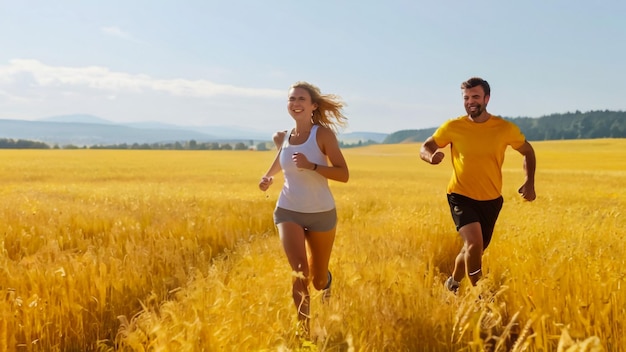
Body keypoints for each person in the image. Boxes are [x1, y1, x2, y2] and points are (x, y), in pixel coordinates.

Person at [419, 77, 536, 293]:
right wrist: (430, 156)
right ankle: (481, 295)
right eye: (466, 98)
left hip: (491, 200)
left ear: (487, 99)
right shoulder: (454, 126)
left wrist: (529, 181)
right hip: (460, 195)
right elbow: (426, 146)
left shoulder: (504, 128)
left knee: (473, 250)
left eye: (475, 97)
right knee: (473, 244)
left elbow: (528, 151)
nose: (470, 101)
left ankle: (452, 283)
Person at [258, 81, 349, 337]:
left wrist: (312, 166)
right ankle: (304, 333)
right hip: (288, 210)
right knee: (300, 273)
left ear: (313, 106)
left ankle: (326, 280)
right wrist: (268, 177)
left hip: (321, 213)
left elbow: (344, 174)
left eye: (301, 99)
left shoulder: (323, 135)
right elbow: (282, 157)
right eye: (291, 99)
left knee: (317, 281)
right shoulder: (282, 137)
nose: (295, 104)